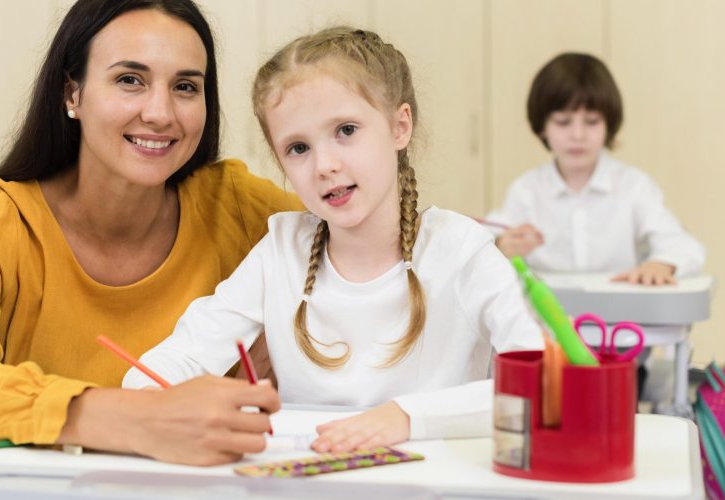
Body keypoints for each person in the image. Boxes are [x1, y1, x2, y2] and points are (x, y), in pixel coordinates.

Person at [123, 27, 543, 453]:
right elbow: (180, 357)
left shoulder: (463, 250)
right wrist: (148, 402)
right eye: (298, 148)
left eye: (345, 130)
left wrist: (405, 417)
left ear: (400, 127)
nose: (324, 165)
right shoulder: (280, 251)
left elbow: (541, 380)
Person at [0, 0, 304, 466]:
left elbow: (379, 244)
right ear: (72, 94)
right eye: (130, 80)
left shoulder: (241, 207)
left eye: (186, 87)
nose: (161, 113)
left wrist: (299, 339)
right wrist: (140, 419)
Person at [488, 52, 705, 286]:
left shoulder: (634, 186)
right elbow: (481, 242)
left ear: (608, 125)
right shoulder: (526, 191)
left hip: (621, 316)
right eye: (563, 122)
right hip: (545, 318)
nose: (578, 135)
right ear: (542, 127)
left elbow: (683, 246)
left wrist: (662, 263)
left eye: (591, 121)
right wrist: (500, 245)